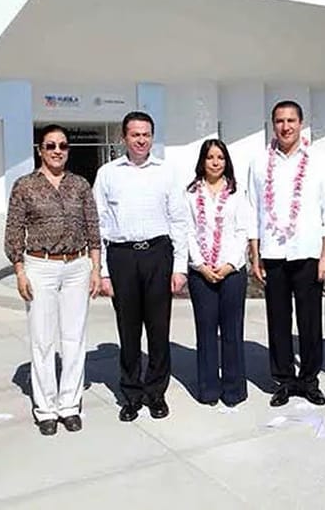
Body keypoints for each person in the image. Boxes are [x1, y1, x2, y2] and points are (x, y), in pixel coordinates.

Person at [4, 124, 102, 436]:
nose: (57, 151)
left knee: (74, 339)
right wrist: (20, 271)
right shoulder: (24, 186)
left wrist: (95, 269)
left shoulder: (80, 185)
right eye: (51, 145)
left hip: (77, 266)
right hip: (40, 267)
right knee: (42, 340)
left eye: (62, 145)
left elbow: (93, 228)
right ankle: (45, 408)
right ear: (40, 150)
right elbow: (14, 231)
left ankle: (69, 405)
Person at [93, 111, 188, 421]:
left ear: (152, 137)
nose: (141, 140)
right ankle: (131, 394)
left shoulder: (167, 172)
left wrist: (179, 266)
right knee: (129, 331)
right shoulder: (108, 173)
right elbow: (99, 225)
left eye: (146, 134)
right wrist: (103, 272)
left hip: (158, 255)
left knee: (159, 330)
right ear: (124, 138)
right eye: (135, 134)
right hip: (122, 258)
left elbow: (179, 220)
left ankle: (156, 393)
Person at [248, 100, 325, 407]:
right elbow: (253, 211)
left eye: (291, 120)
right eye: (279, 121)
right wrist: (255, 255)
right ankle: (284, 380)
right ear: (272, 124)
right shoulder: (259, 163)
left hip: (308, 252)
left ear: (301, 123)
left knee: (310, 321)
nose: (285, 126)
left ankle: (309, 380)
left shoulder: (319, 161)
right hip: (274, 254)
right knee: (278, 321)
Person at [185, 139, 249, 407]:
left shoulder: (236, 192)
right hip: (201, 273)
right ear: (202, 161)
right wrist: (200, 265)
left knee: (232, 331)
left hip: (231, 272)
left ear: (226, 161)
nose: (215, 162)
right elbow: (188, 231)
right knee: (206, 331)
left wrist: (229, 265)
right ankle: (209, 389)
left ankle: (234, 390)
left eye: (220, 158)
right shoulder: (190, 194)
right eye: (210, 157)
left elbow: (242, 231)